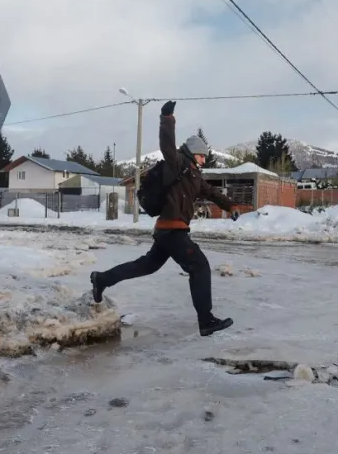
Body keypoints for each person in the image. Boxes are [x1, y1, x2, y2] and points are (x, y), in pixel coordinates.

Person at [90, 100, 239, 336]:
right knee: (199, 266)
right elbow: (168, 145)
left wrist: (229, 206)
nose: (203, 160)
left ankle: (102, 279)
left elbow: (211, 192)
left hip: (169, 230)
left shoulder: (194, 176)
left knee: (146, 266)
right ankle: (206, 320)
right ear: (193, 153)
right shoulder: (177, 163)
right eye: (201, 155)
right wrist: (167, 118)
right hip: (172, 231)